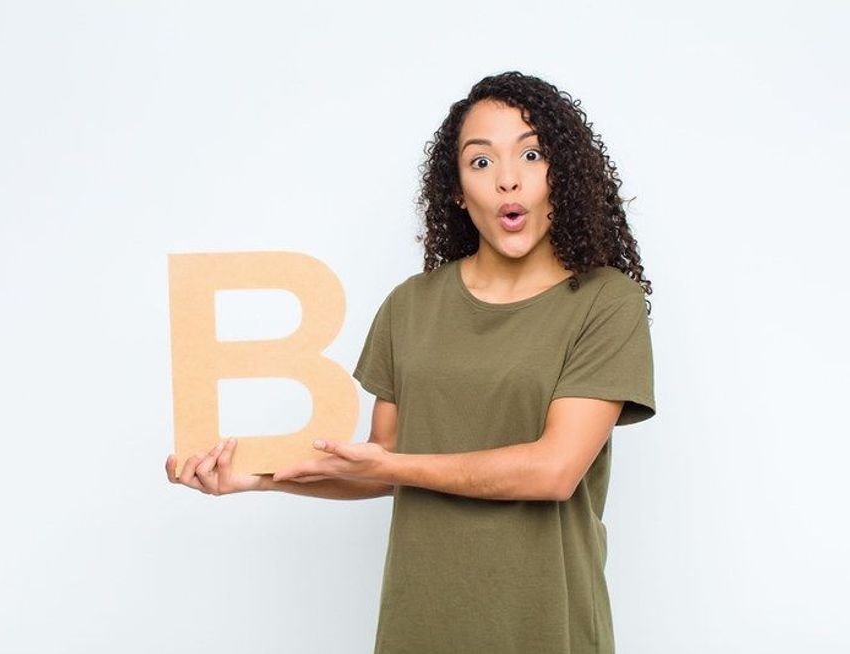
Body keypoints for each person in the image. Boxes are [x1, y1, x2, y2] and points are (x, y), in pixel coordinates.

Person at [165, 70, 656, 654]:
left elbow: (553, 471)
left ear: (564, 174)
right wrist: (255, 478)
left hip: (544, 626)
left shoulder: (606, 301)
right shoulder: (411, 305)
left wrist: (393, 468)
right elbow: (380, 463)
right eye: (480, 162)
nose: (507, 180)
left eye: (532, 154)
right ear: (455, 189)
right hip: (419, 626)